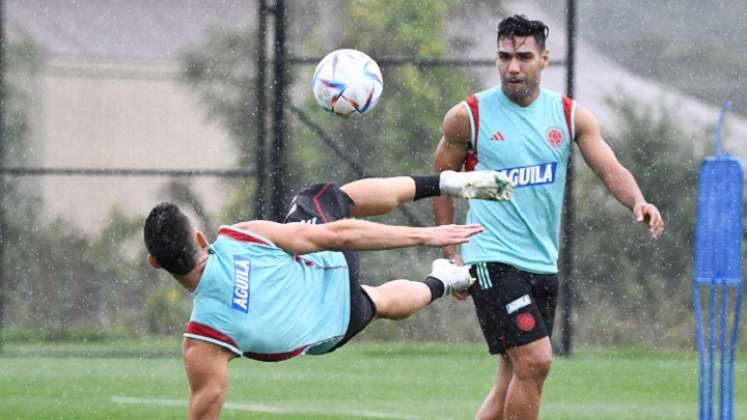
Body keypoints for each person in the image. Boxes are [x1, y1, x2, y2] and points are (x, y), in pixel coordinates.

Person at [431, 14, 665, 420]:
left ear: (545, 60)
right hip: (491, 258)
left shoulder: (570, 115)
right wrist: (452, 252)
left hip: (541, 263)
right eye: (504, 57)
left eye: (523, 56)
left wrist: (638, 202)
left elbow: (610, 169)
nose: (513, 67)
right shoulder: (469, 116)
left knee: (513, 376)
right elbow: (441, 183)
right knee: (537, 361)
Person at [144, 170, 511, 419]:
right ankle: (447, 183)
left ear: (155, 263)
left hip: (331, 326)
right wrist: (426, 234)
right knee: (333, 196)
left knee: (379, 302)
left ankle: (447, 282)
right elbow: (337, 236)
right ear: (199, 239)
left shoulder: (202, 342)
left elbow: (206, 408)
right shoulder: (239, 237)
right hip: (329, 265)